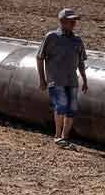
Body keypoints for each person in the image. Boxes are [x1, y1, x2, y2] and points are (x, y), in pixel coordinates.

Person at [36, 9, 89, 147]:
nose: (74, 23)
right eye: (71, 21)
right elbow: (39, 57)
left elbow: (81, 61)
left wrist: (84, 79)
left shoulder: (77, 40)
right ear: (62, 21)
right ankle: (57, 135)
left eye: (74, 21)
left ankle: (65, 137)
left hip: (72, 80)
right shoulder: (51, 37)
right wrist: (42, 79)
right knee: (61, 106)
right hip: (56, 80)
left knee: (71, 109)